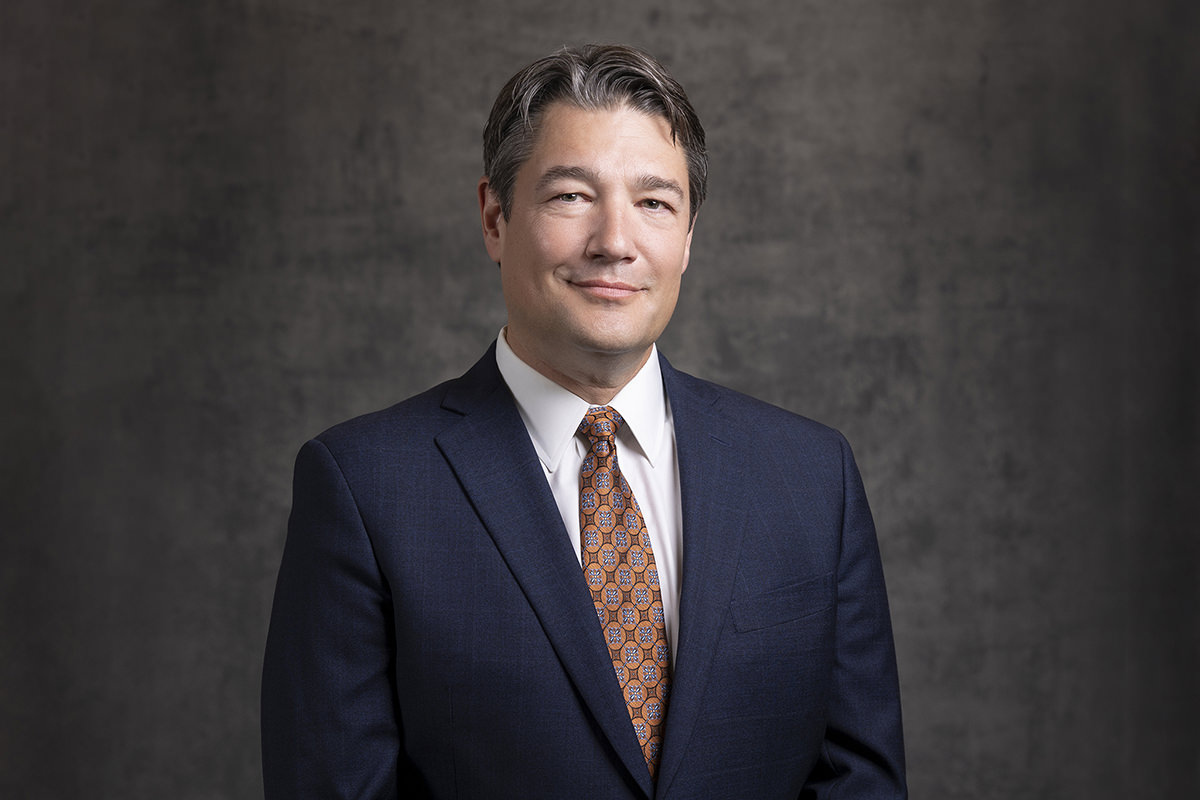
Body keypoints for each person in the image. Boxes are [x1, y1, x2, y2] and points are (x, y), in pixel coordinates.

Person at [262, 44, 906, 799]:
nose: (615, 242)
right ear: (495, 219)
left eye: (655, 202)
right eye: (571, 196)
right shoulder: (367, 488)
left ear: (689, 237)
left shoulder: (809, 475)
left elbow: (858, 782)